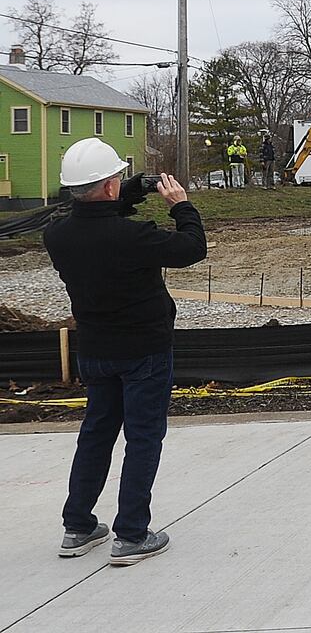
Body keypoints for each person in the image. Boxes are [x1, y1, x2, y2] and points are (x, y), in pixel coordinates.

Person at [45, 138, 206, 566]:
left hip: (95, 351)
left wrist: (123, 195)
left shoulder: (57, 235)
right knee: (143, 437)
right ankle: (132, 534)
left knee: (96, 432)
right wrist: (181, 204)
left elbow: (95, 224)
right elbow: (192, 248)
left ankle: (77, 526)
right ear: (110, 186)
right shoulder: (134, 236)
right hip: (145, 351)